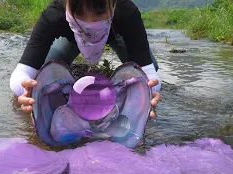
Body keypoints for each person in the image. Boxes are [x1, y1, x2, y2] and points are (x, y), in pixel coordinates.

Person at [10, 0, 161, 118]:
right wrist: (29, 91)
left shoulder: (127, 12)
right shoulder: (54, 14)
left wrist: (147, 90)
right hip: (72, 39)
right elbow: (22, 72)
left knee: (146, 69)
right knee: (45, 72)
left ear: (114, 3)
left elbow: (150, 74)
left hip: (117, 35)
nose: (89, 21)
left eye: (100, 10)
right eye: (77, 10)